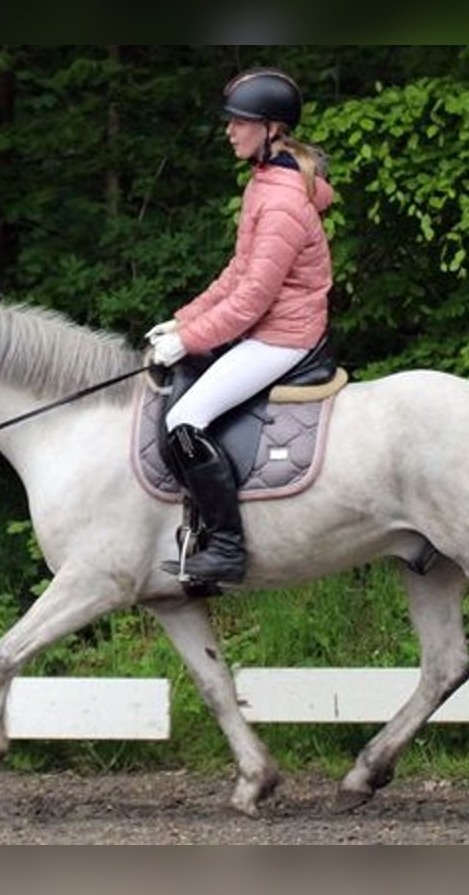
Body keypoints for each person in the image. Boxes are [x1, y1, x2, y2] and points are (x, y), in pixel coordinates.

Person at [146, 67, 335, 585]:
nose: (230, 130)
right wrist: (183, 320)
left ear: (271, 129)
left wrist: (190, 339)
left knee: (183, 423)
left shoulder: (280, 202)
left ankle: (227, 548)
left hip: (284, 336)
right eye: (230, 121)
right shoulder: (266, 182)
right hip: (267, 324)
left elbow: (254, 298)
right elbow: (238, 272)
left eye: (240, 122)